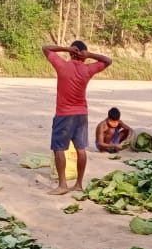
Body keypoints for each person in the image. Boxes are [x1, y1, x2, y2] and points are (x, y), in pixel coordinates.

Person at [42, 40, 112, 195]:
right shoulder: (87, 69)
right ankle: (79, 184)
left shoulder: (62, 65)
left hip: (64, 115)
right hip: (81, 114)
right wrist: (90, 55)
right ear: (84, 56)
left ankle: (62, 185)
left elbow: (45, 48)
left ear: (71, 53)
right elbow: (108, 61)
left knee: (59, 148)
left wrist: (66, 48)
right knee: (80, 149)